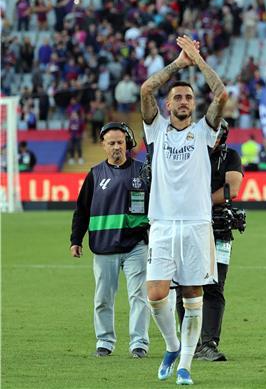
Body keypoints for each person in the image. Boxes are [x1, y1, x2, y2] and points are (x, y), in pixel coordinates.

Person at [140, 35, 228, 385]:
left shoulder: (205, 131)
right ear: (167, 105)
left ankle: (186, 366)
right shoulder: (156, 130)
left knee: (193, 296)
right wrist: (180, 62)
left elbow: (221, 95)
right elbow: (147, 89)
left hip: (196, 225)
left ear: (193, 105)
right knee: (156, 294)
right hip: (162, 223)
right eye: (177, 96)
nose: (183, 100)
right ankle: (173, 346)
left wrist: (199, 61)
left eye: (188, 97)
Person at [69, 122, 150, 358]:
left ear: (127, 144)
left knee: (139, 296)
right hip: (104, 246)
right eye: (111, 143)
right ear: (103, 146)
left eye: (120, 142)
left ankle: (139, 344)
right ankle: (104, 342)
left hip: (137, 245)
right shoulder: (95, 174)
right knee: (103, 298)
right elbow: (81, 210)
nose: (116, 147)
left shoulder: (144, 170)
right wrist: (76, 239)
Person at [176, 119, 244, 362]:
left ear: (224, 136)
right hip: (186, 228)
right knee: (184, 287)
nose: (213, 138)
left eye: (218, 134)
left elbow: (232, 189)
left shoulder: (230, 156)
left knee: (215, 287)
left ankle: (208, 344)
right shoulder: (184, 152)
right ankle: (189, 343)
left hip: (219, 228)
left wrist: (196, 201)